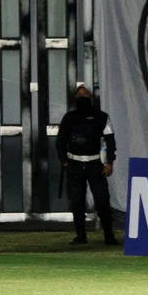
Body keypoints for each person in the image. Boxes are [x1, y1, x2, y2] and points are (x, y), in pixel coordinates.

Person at [55, 84, 119, 245]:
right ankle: (80, 236)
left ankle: (109, 236)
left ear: (91, 97)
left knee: (102, 199)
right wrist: (65, 162)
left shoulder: (102, 117)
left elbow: (110, 140)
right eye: (79, 95)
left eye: (85, 94)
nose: (82, 97)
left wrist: (109, 162)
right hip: (74, 164)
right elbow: (60, 142)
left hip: (95, 163)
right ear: (75, 99)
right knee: (76, 201)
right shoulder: (68, 118)